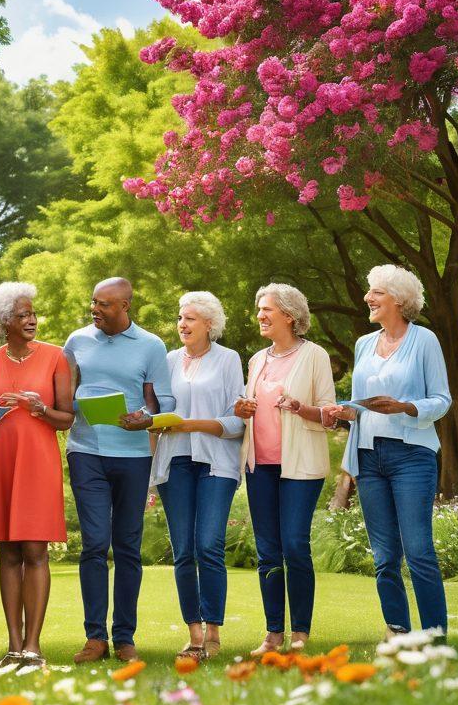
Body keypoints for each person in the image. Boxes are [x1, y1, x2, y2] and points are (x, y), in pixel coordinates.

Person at [322, 265, 451, 639]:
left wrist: (406, 407)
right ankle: (397, 634)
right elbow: (362, 405)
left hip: (412, 455)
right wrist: (346, 410)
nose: (368, 298)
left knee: (419, 551)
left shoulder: (424, 340)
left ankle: (434, 637)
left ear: (398, 299)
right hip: (368, 456)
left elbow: (441, 399)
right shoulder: (364, 344)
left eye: (376, 292)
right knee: (384, 556)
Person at [64, 277, 176, 664]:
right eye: (93, 302)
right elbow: (64, 392)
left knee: (127, 546)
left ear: (125, 305)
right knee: (94, 543)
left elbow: (167, 399)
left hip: (132, 456)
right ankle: (95, 638)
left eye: (104, 305)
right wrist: (71, 404)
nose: (95, 309)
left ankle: (124, 636)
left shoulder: (151, 345)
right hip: (86, 452)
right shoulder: (76, 341)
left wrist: (145, 418)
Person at [0, 282, 74, 667]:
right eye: (22, 315)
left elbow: (66, 418)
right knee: (8, 551)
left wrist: (40, 409)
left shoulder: (55, 357)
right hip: (0, 457)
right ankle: (14, 645)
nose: (31, 319)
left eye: (32, 313)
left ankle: (34, 646)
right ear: (4, 322)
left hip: (37, 459)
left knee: (35, 550)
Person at [144, 292, 245, 662]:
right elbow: (153, 411)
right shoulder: (168, 360)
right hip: (175, 464)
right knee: (184, 551)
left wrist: (190, 425)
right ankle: (195, 634)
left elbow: (237, 421)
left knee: (208, 545)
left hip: (216, 463)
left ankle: (215, 629)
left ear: (209, 325)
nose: (182, 325)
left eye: (190, 319)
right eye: (180, 318)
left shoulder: (229, 359)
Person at [236, 283, 335, 656]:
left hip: (300, 465)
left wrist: (300, 407)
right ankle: (273, 633)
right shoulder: (257, 360)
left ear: (289, 317)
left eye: (267, 310)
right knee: (267, 550)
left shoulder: (315, 356)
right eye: (259, 309)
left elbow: (329, 414)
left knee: (294, 544)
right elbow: (251, 406)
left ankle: (301, 633)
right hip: (258, 464)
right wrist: (242, 409)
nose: (260, 316)